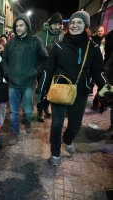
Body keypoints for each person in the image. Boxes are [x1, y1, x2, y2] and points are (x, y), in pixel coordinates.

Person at [36, 11, 109, 166]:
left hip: (81, 91)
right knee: (56, 124)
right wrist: (40, 90)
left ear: (86, 26)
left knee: (75, 125)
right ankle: (55, 153)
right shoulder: (59, 46)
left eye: (79, 23)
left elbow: (98, 71)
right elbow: (48, 69)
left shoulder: (93, 48)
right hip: (60, 90)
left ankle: (67, 139)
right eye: (73, 22)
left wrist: (105, 85)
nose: (75, 25)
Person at [2, 13, 48, 145]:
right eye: (16, 25)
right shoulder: (10, 44)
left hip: (28, 83)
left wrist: (35, 72)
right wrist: (7, 72)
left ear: (27, 26)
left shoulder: (35, 41)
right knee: (14, 112)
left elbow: (44, 58)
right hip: (13, 84)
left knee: (28, 110)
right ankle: (14, 132)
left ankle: (27, 120)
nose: (18, 28)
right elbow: (4, 59)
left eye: (21, 25)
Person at [35, 12, 64, 122]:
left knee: (51, 90)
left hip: (56, 68)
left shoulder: (62, 35)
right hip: (42, 67)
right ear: (50, 24)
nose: (57, 27)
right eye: (55, 24)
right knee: (40, 90)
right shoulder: (40, 34)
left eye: (59, 25)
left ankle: (46, 106)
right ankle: (40, 110)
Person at [90, 26, 106, 111]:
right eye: (99, 31)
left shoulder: (104, 40)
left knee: (100, 84)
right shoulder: (93, 40)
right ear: (96, 32)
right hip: (93, 63)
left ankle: (98, 103)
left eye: (102, 31)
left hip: (102, 63)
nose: (100, 32)